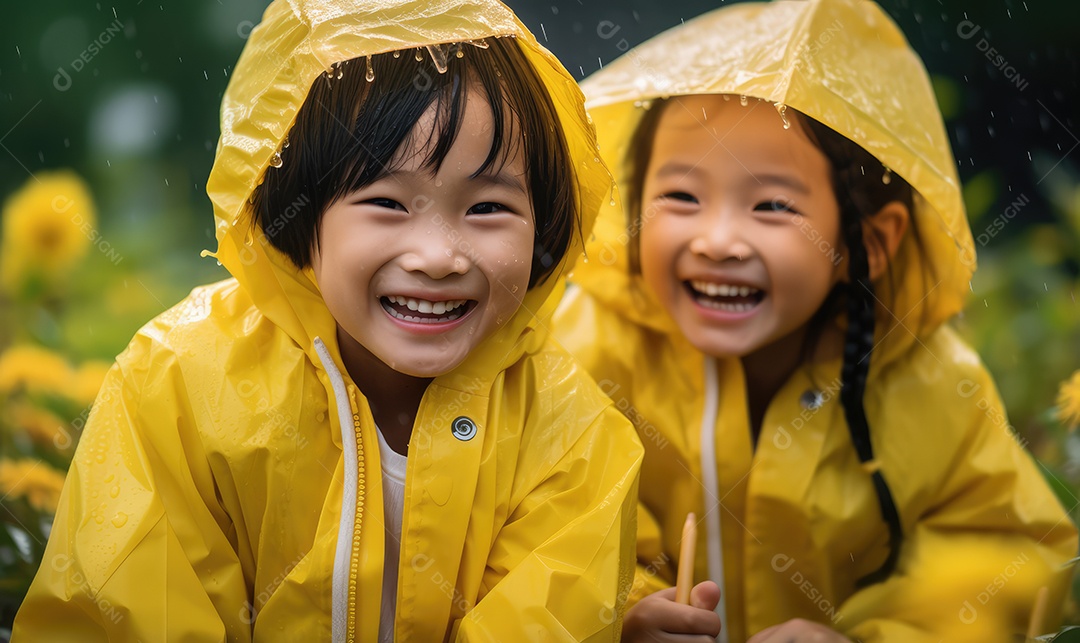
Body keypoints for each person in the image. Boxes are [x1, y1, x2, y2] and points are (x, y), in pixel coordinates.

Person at [12, 0, 644, 640]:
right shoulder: (175, 386)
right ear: (300, 215)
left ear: (547, 223)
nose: (437, 257)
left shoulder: (574, 433)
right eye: (388, 203)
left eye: (487, 208)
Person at [554, 0, 1077, 641]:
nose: (717, 240)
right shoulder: (584, 353)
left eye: (772, 205)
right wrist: (623, 617)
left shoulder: (928, 382)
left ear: (872, 242)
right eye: (681, 197)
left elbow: (1009, 551)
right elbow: (549, 528)